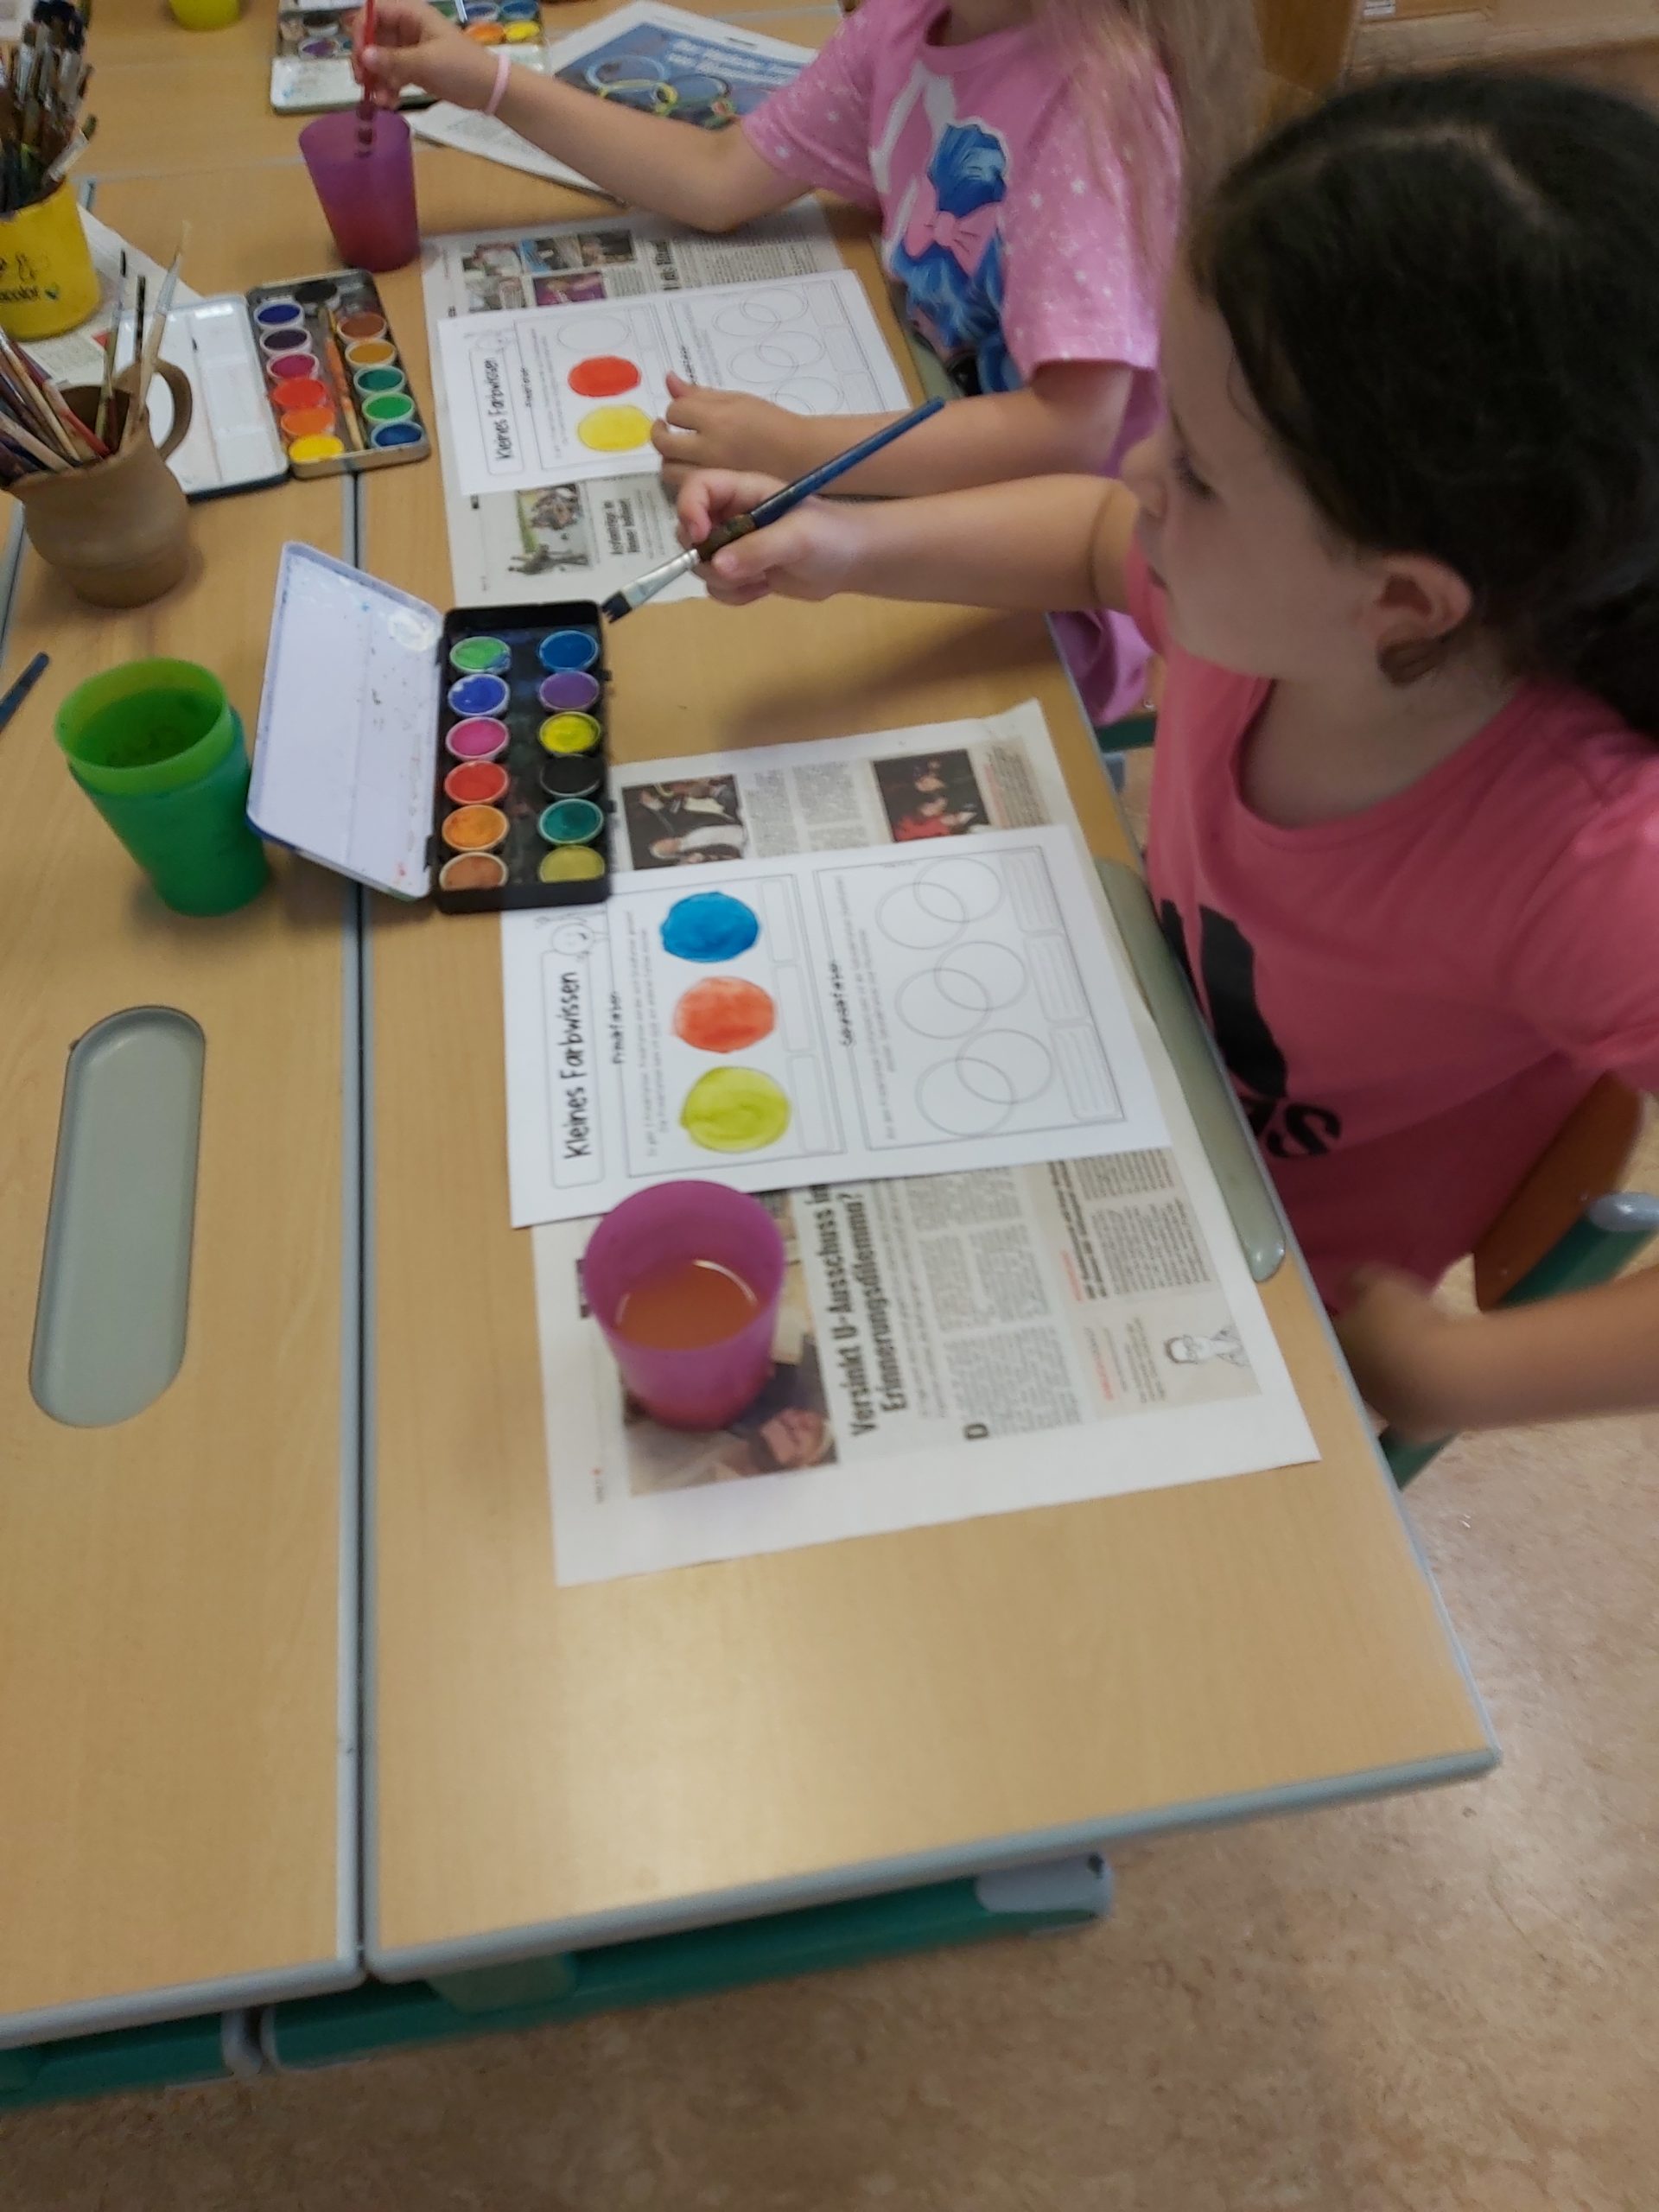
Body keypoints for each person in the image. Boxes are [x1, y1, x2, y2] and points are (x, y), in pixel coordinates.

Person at [672, 69, 1659, 1446]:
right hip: (1111, 1068)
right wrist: (846, 544)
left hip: (1255, 1294)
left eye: (1192, 465)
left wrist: (1456, 1378)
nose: (1141, 472)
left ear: (1401, 601)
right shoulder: (1267, 599)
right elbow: (1094, 539)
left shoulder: (1591, 858)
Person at [353, 0, 1258, 723]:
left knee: (747, 696)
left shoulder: (1096, 105)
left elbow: (1073, 432)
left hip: (1055, 576)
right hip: (910, 458)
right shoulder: (908, 26)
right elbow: (717, 178)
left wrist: (795, 447)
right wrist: (489, 82)